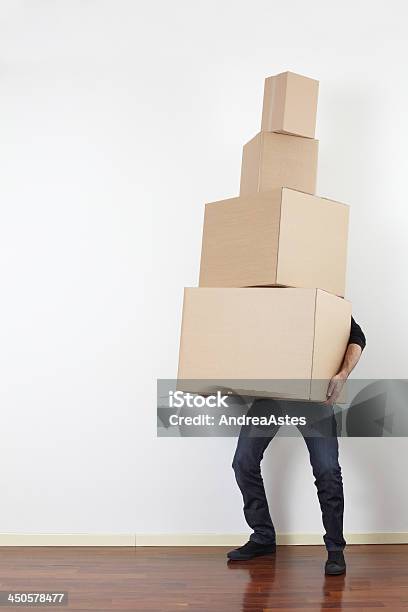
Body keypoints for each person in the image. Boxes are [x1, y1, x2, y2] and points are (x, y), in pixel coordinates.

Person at [227, 316, 366, 576]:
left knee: (327, 470)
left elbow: (357, 337)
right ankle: (263, 537)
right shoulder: (267, 297)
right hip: (270, 396)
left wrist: (342, 374)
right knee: (243, 462)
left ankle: (335, 549)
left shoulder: (324, 296)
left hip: (314, 398)